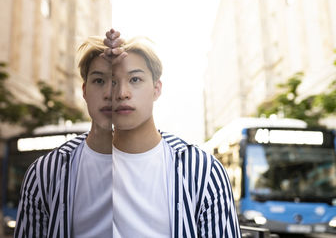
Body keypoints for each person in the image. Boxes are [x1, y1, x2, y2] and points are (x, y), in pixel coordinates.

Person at [108, 33, 241, 237]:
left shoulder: (203, 172)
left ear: (156, 89)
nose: (122, 93)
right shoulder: (64, 170)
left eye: (135, 79)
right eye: (110, 81)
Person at [14, 32, 124, 238]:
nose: (110, 93)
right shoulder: (44, 173)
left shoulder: (179, 166)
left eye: (120, 81)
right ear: (84, 90)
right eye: (99, 81)